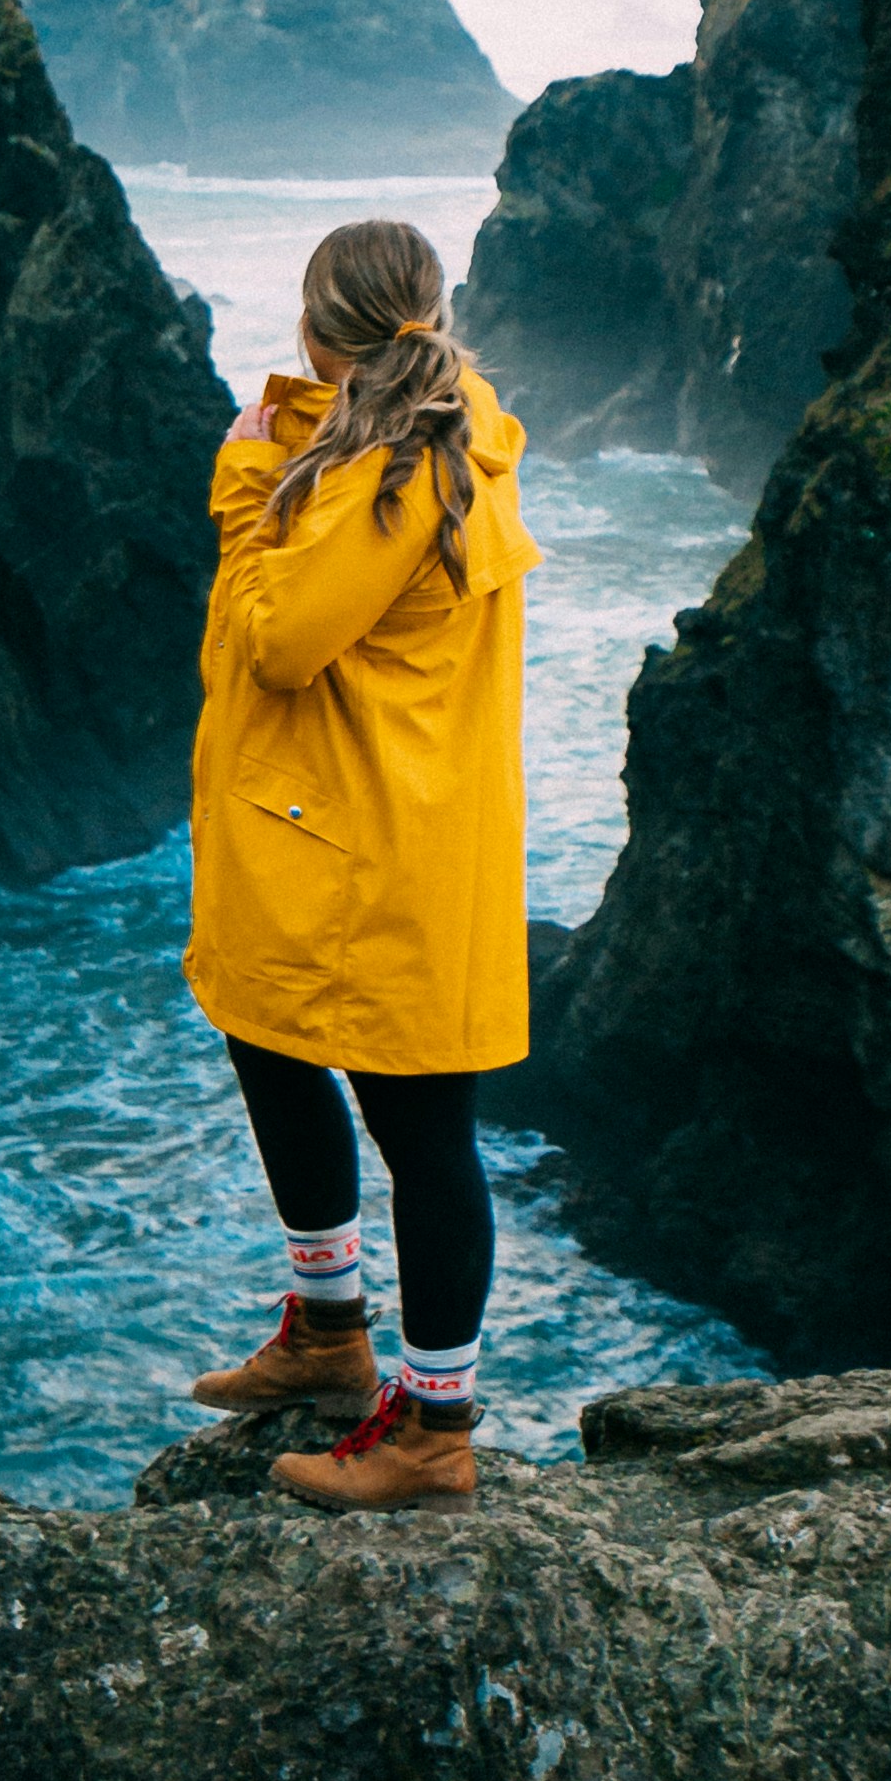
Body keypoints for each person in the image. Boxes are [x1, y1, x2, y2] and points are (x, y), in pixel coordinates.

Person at [181, 215, 539, 1508]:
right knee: (265, 1033)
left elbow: (280, 637)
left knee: (423, 1126)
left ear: (322, 332)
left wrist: (240, 488)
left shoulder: (395, 475)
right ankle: (331, 1330)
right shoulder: (443, 427)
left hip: (383, 843)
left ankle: (436, 1427)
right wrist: (300, 435)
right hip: (369, 822)